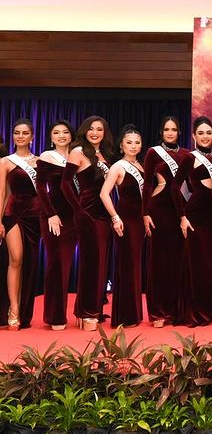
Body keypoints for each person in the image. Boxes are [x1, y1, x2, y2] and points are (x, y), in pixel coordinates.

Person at [63, 116, 114, 331]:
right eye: (91, 129)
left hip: (104, 214)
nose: (95, 132)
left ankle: (94, 308)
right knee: (91, 263)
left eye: (99, 129)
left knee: (101, 263)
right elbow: (65, 184)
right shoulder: (78, 152)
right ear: (84, 131)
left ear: (105, 133)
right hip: (88, 213)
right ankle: (87, 312)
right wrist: (79, 211)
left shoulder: (105, 154)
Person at [142, 116, 187, 327]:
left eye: (174, 129)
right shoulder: (153, 153)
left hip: (181, 211)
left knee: (177, 262)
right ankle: (158, 312)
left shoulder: (186, 154)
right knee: (158, 263)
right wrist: (145, 213)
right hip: (158, 210)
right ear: (161, 132)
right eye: (166, 129)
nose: (170, 133)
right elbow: (147, 184)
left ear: (179, 132)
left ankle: (176, 311)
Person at [100, 125, 146, 328]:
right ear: (121, 145)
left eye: (137, 142)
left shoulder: (143, 166)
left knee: (135, 266)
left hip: (139, 220)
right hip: (125, 221)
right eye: (129, 142)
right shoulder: (118, 167)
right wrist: (115, 217)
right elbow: (104, 194)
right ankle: (125, 316)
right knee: (126, 266)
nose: (133, 146)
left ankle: (133, 314)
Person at [176, 116, 212, 326]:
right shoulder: (189, 159)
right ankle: (192, 313)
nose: (205, 136)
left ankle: (207, 310)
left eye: (208, 133)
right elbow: (174, 188)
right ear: (193, 136)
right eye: (200, 133)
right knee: (195, 264)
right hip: (194, 217)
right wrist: (182, 216)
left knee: (209, 265)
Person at [35, 120, 77, 331]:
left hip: (75, 217)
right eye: (56, 132)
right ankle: (55, 316)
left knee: (68, 264)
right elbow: (41, 187)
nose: (61, 135)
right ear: (51, 137)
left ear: (71, 135)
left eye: (65, 132)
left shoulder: (78, 156)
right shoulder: (46, 157)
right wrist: (51, 214)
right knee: (56, 264)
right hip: (53, 216)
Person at [0, 119, 40, 329]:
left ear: (32, 137)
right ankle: (13, 308)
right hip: (13, 213)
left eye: (25, 133)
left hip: (35, 215)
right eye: (17, 133)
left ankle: (25, 311)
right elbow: (2, 193)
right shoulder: (5, 162)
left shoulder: (40, 161)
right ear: (13, 136)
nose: (21, 136)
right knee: (16, 258)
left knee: (31, 263)